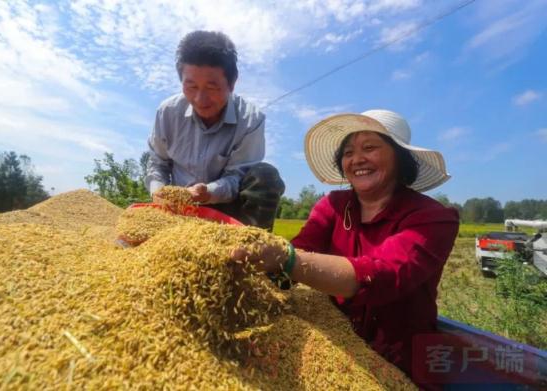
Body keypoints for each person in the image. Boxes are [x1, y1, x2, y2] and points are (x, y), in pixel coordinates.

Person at [231, 109, 459, 382]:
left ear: (399, 156)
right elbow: (303, 246)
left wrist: (287, 260)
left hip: (399, 362)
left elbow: (384, 274)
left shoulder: (431, 217)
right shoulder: (334, 206)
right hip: (333, 351)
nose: (357, 159)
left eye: (370, 148)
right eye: (348, 152)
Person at [145, 30, 285, 231]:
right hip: (178, 208)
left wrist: (208, 193)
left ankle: (251, 251)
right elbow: (157, 163)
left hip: (228, 210)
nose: (200, 100)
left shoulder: (250, 120)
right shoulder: (168, 113)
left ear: (232, 83)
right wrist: (158, 192)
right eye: (191, 87)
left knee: (266, 176)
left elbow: (237, 177)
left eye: (212, 88)